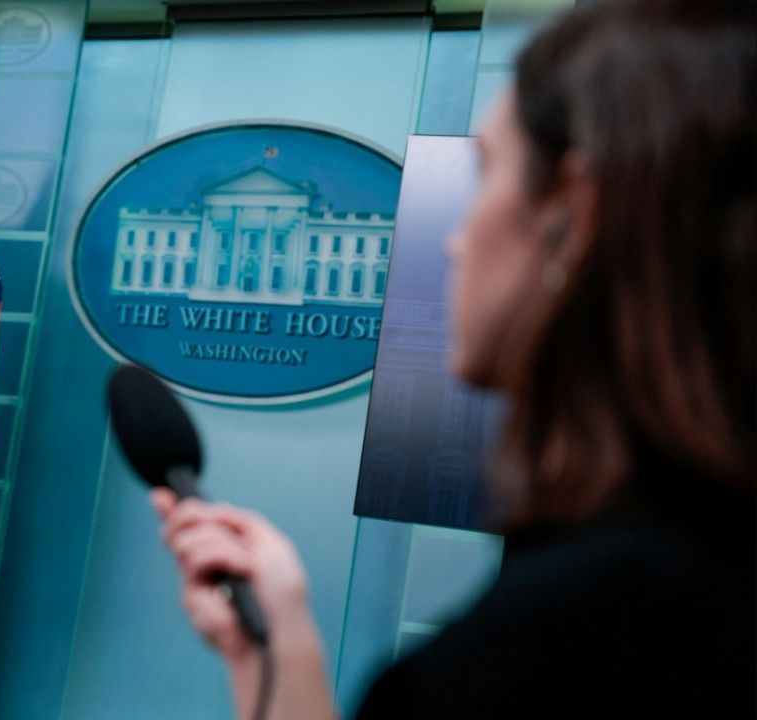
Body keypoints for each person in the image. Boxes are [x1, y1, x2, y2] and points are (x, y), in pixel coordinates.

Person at [153, 1, 755, 717]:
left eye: (486, 173)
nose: (454, 239)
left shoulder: (568, 638)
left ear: (574, 211)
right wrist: (275, 649)